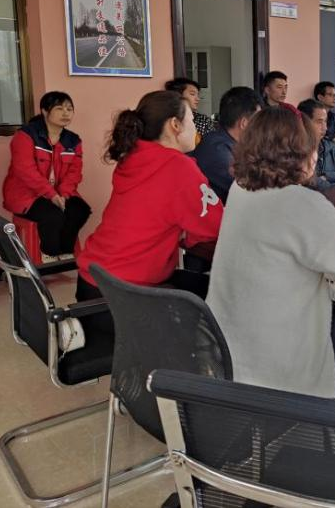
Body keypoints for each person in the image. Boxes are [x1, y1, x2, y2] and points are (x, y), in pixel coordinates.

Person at [206, 108, 335, 399]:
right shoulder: (304, 204)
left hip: (228, 348)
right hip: (279, 368)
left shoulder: (240, 189)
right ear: (301, 153)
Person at [76, 91, 224, 340]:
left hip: (93, 286)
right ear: (175, 125)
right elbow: (216, 227)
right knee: (218, 297)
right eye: (191, 120)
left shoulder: (133, 157)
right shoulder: (178, 166)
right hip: (127, 298)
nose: (195, 128)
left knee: (196, 286)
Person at [3, 91, 91, 262]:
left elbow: (74, 172)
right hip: (27, 194)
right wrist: (51, 195)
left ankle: (65, 252)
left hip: (59, 192)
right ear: (44, 111)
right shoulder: (25, 136)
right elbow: (25, 171)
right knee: (53, 215)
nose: (65, 113)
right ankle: (49, 252)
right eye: (59, 108)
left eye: (69, 109)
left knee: (79, 210)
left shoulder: (73, 141)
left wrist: (63, 194)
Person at [191, 86, 262, 204]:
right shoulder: (217, 151)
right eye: (259, 120)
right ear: (244, 123)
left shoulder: (230, 142)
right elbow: (251, 193)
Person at [297, 99, 335, 190]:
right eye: (319, 122)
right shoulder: (297, 150)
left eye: (325, 121)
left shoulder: (329, 146)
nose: (325, 128)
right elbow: (308, 181)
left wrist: (326, 176)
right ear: (304, 123)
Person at [165, 78, 214, 143]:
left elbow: (212, 142)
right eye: (192, 94)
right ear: (178, 95)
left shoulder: (202, 120)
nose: (197, 99)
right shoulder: (166, 119)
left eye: (198, 95)